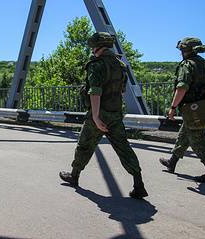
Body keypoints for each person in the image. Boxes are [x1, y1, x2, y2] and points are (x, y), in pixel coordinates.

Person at [59, 32, 148, 199]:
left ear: (98, 47)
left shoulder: (97, 64)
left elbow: (95, 92)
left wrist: (96, 117)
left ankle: (74, 176)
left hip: (100, 113)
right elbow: (121, 90)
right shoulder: (120, 65)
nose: (92, 50)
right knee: (124, 148)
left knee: (84, 145)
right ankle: (139, 183)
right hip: (115, 113)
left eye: (93, 47)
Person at [159, 37, 205, 184]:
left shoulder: (187, 65)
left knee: (198, 139)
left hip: (193, 108)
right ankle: (172, 162)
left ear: (184, 50)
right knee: (185, 134)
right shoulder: (203, 64)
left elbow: (182, 87)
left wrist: (173, 108)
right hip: (203, 105)